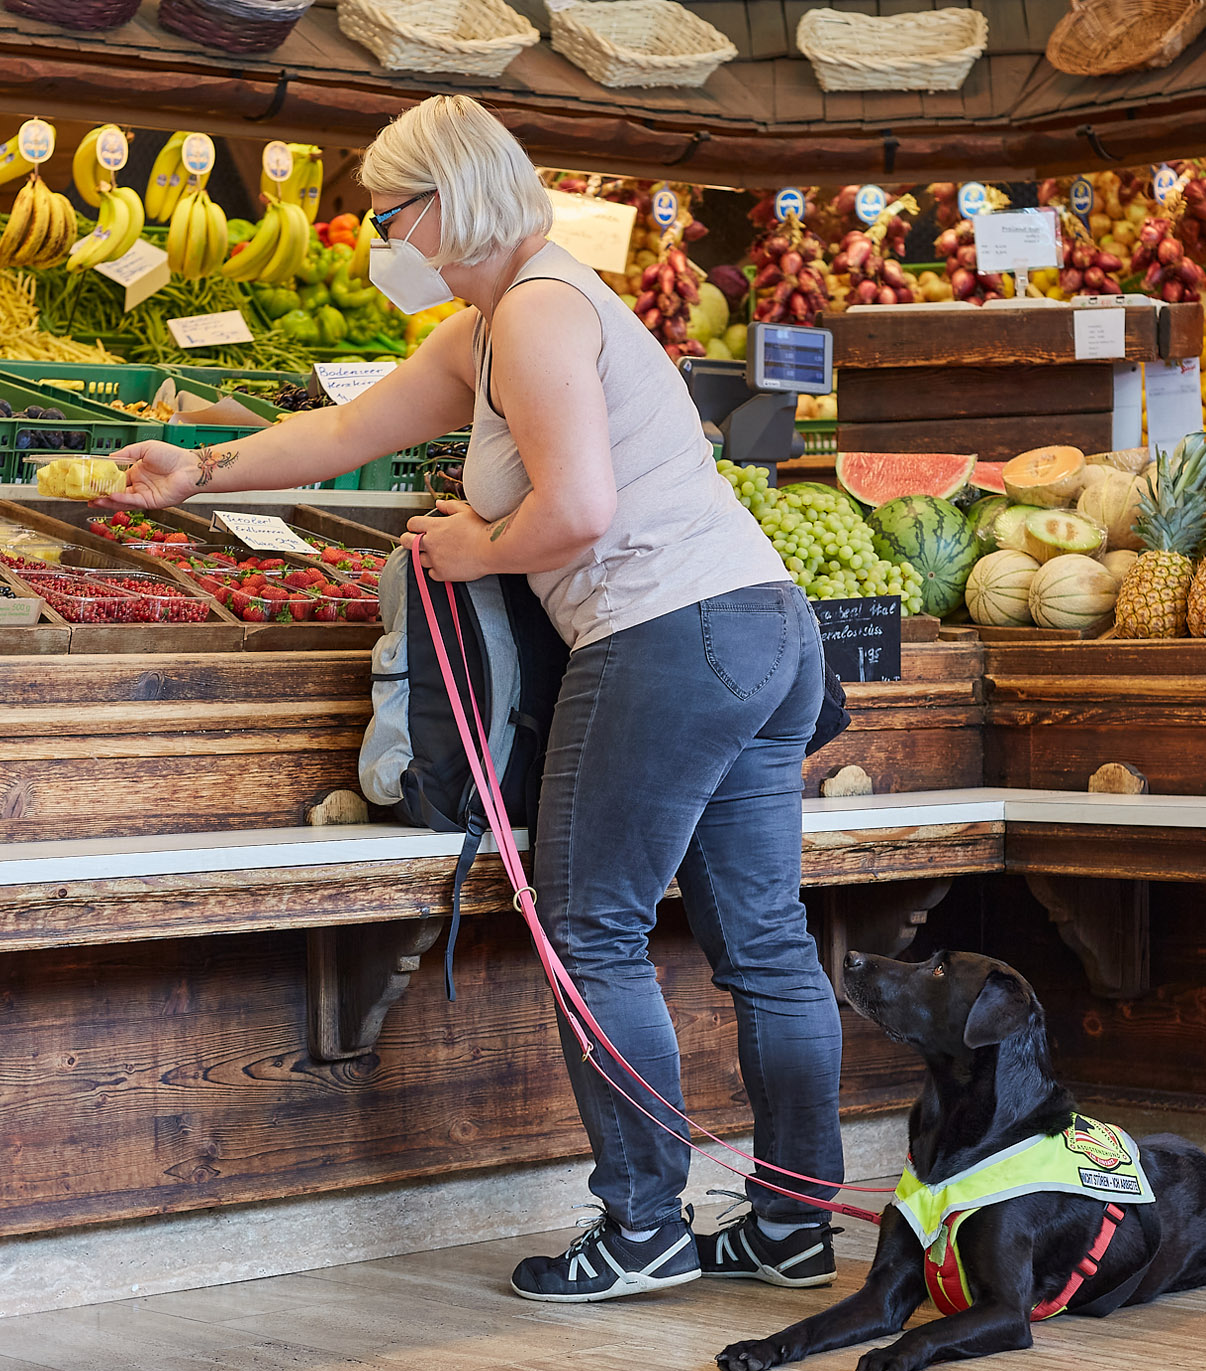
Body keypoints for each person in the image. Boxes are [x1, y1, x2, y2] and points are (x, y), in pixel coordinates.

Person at [99, 94, 845, 1303]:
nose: (389, 235)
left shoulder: (541, 316)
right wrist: (200, 472)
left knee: (590, 929)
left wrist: (478, 545)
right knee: (761, 940)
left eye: (394, 212)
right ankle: (793, 1224)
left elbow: (581, 510)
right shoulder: (499, 320)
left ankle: (644, 1224)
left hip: (666, 633)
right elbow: (347, 429)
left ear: (452, 198)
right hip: (762, 626)